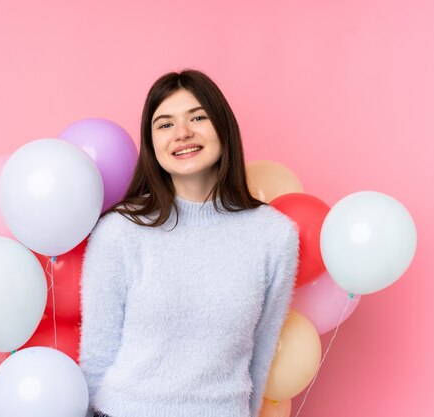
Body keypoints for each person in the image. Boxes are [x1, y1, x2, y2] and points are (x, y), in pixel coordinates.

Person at [79, 69, 300, 417]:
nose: (182, 133)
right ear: (152, 144)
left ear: (223, 128)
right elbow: (97, 355)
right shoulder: (120, 231)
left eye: (198, 117)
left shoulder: (274, 236)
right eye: (164, 124)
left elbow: (260, 355)